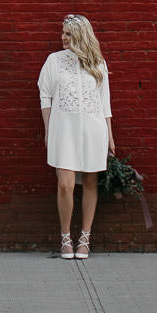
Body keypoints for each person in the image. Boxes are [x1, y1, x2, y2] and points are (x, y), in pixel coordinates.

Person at [38, 13, 114, 259]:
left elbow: (105, 104)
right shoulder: (54, 61)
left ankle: (85, 237)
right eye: (63, 33)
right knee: (65, 184)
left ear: (81, 35)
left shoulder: (97, 62)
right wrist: (49, 129)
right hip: (64, 130)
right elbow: (45, 96)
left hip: (93, 129)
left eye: (68, 33)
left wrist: (110, 137)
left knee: (90, 183)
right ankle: (65, 237)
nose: (63, 37)